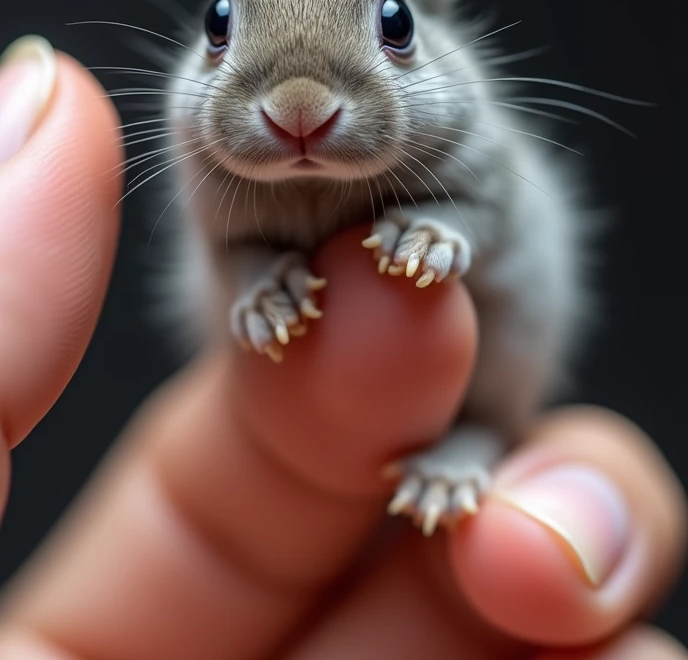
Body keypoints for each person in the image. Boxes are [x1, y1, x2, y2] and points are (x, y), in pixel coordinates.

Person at [0, 34, 685, 659]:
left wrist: (448, 231)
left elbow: (492, 202)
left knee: (536, 260)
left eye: (390, 25)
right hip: (273, 461)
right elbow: (228, 248)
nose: (300, 109)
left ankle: (484, 434)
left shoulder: (459, 130)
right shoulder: (209, 162)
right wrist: (255, 284)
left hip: (475, 364)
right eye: (222, 29)